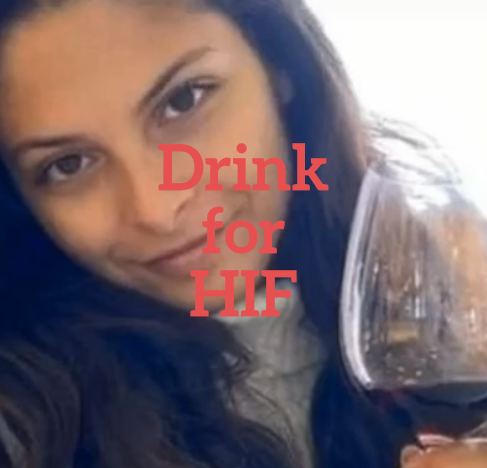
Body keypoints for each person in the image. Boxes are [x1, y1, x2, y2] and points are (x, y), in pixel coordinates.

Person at [0, 0, 484, 467]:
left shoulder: (448, 280)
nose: (156, 209)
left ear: (277, 61)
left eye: (182, 101)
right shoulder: (27, 419)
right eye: (68, 165)